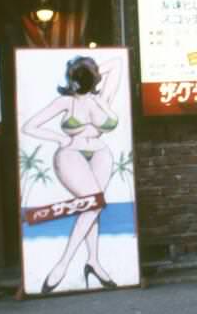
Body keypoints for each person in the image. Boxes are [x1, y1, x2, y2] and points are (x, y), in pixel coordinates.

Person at [21, 54, 123, 294]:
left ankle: (93, 262)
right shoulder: (65, 102)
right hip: (71, 154)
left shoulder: (102, 98)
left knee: (92, 207)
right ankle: (63, 264)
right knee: (94, 203)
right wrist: (60, 138)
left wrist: (85, 71)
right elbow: (29, 126)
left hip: (101, 153)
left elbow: (117, 63)